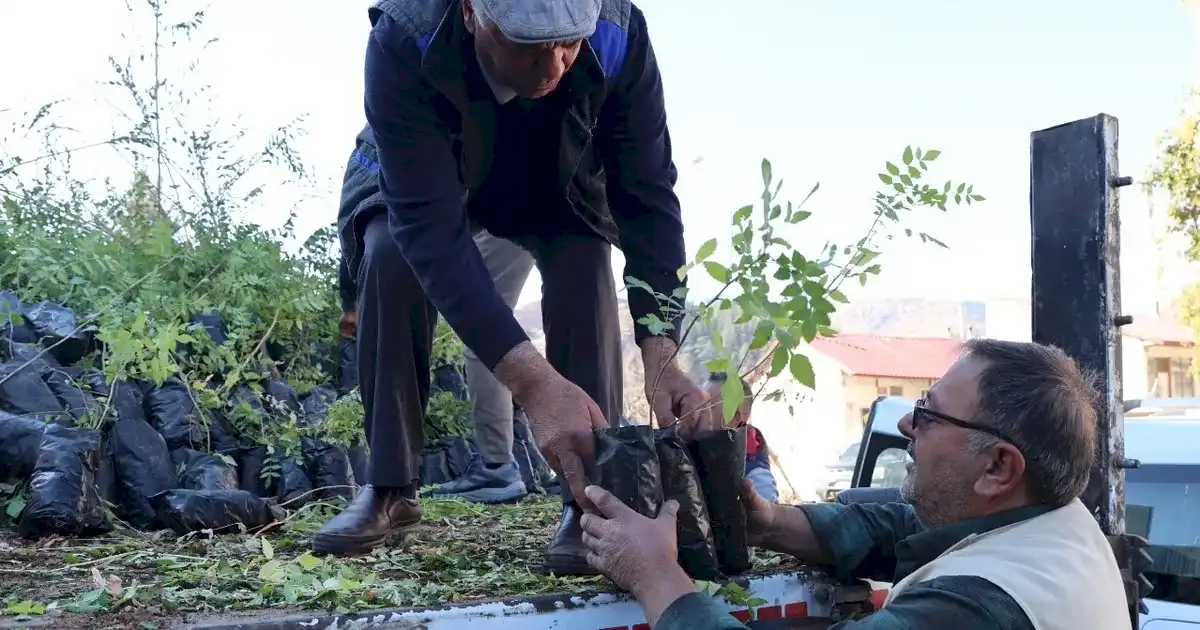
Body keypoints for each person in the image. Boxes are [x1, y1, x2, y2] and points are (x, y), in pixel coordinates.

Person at [315, 0, 715, 575]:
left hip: (554, 170)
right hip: (433, 164)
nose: (553, 65)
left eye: (567, 44)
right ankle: (390, 487)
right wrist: (532, 383)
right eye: (531, 45)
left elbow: (647, 194)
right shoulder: (406, 38)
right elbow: (429, 231)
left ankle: (590, 501)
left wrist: (661, 351)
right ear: (474, 14)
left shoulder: (617, 33)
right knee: (389, 251)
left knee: (582, 255)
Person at [580, 339, 1131, 629]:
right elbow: (902, 525)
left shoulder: (979, 606)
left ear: (997, 468)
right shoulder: (1054, 524)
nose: (907, 425)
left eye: (929, 414)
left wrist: (656, 577)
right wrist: (771, 523)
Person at [333, 145, 537, 504]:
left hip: (508, 192)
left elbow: (356, 221)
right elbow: (365, 220)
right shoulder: (387, 140)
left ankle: (497, 468)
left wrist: (350, 302)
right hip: (504, 188)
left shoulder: (385, 142)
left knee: (484, 332)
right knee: (486, 322)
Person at [702, 372, 778, 502]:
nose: (696, 410)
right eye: (700, 400)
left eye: (709, 406)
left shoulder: (754, 474)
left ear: (734, 419)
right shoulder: (704, 444)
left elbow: (768, 513)